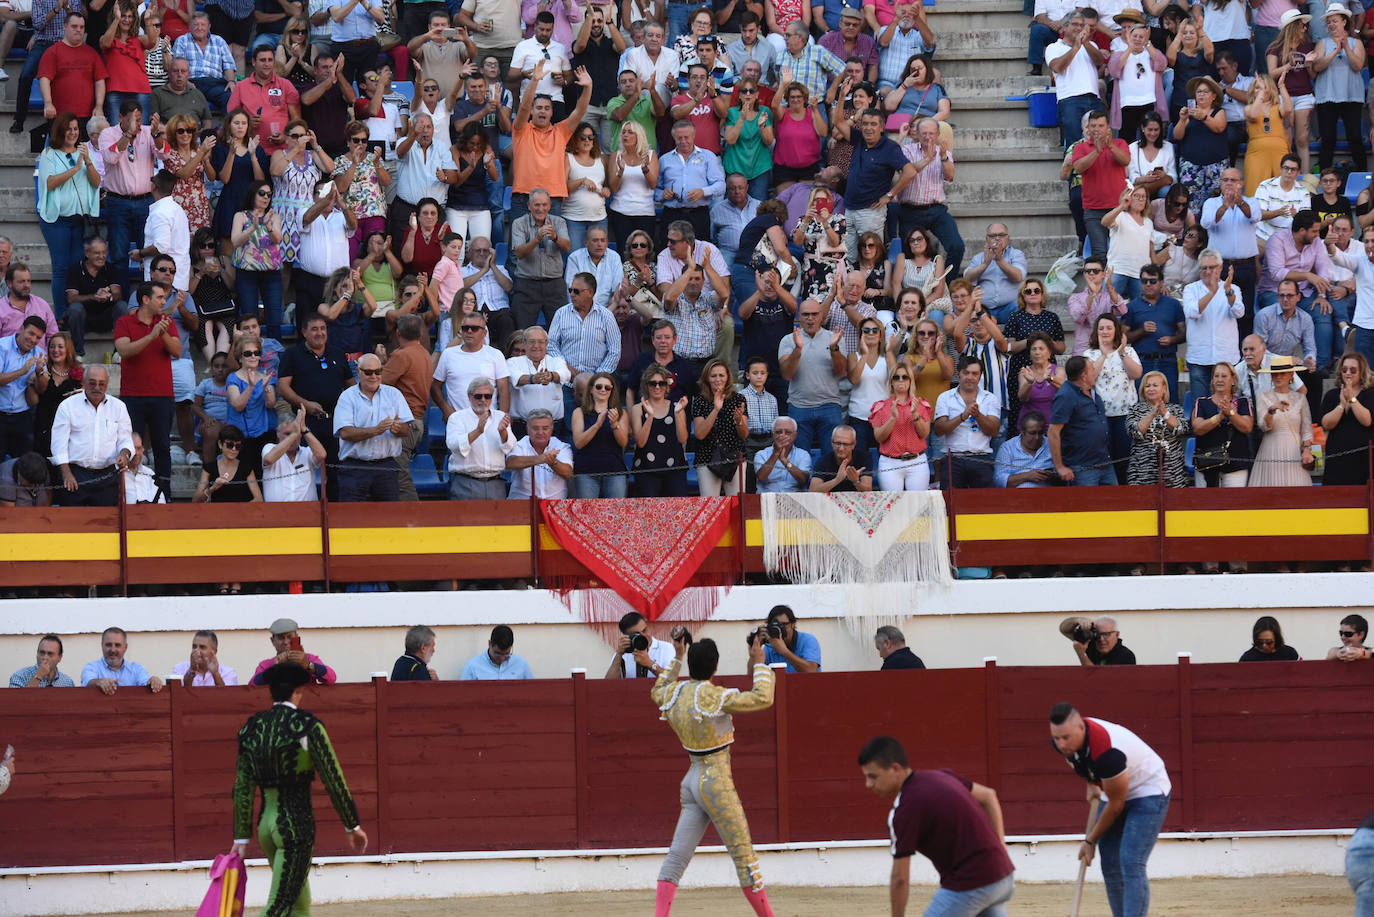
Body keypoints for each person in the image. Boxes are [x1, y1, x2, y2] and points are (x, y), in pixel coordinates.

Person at [651, 628, 777, 917]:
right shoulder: (715, 697)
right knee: (743, 854)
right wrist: (759, 661)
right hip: (716, 783)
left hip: (692, 781)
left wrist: (676, 659)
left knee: (677, 857)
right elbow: (762, 697)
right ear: (716, 667)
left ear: (691, 664)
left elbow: (657, 689)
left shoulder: (673, 693)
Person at [230, 662, 368, 915]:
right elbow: (333, 777)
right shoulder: (306, 725)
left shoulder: (251, 728)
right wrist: (352, 825)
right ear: (298, 692)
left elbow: (243, 787)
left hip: (265, 828)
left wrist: (241, 837)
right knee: (280, 904)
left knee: (300, 904)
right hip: (295, 827)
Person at [858, 735, 1015, 916]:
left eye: (873, 777)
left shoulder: (905, 810)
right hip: (1003, 877)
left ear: (895, 769)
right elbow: (989, 796)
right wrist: (1000, 845)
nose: (868, 785)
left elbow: (900, 879)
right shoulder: (942, 776)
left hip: (970, 883)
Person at [1048, 702, 1171, 917]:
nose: (1061, 744)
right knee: (1110, 862)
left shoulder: (1107, 752)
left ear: (1081, 728)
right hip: (1114, 787)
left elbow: (1116, 805)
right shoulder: (1064, 743)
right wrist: (1090, 782)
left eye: (1065, 738)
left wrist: (1090, 840)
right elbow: (1080, 761)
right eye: (1057, 738)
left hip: (1147, 789)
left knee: (1131, 861)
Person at [37, 116, 102, 319]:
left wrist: (88, 162)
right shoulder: (49, 153)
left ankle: (74, 313)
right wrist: (75, 168)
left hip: (78, 220)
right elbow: (49, 183)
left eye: (75, 129)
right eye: (68, 129)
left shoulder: (85, 151)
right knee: (61, 268)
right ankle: (60, 315)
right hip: (56, 220)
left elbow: (96, 182)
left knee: (76, 268)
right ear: (60, 131)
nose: (73, 132)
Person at [333, 351, 413, 501]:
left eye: (378, 371)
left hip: (386, 467)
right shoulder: (347, 397)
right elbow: (345, 433)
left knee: (388, 519)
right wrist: (376, 430)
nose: (374, 376)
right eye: (369, 372)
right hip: (354, 467)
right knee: (351, 520)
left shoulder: (394, 394)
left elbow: (406, 429)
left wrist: (397, 428)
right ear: (358, 372)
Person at [50, 365, 133, 506]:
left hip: (107, 476)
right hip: (76, 474)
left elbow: (125, 439)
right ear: (83, 382)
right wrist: (66, 474)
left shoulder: (118, 407)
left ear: (107, 385)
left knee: (106, 524)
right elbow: (59, 445)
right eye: (92, 383)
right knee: (74, 523)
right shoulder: (67, 406)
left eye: (102, 384)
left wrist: (124, 454)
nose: (97, 387)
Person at [843, 108, 916, 261]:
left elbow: (910, 172)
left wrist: (889, 195)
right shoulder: (859, 140)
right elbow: (837, 123)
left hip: (871, 212)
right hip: (850, 208)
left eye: (873, 124)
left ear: (882, 127)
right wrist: (842, 96)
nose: (868, 128)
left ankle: (874, 286)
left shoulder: (890, 147)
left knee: (871, 258)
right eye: (865, 124)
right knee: (850, 258)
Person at [1083, 314, 1143, 484]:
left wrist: (1122, 352)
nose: (1105, 331)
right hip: (1101, 415)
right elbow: (1089, 379)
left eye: (1109, 328)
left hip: (1126, 414)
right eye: (1101, 328)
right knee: (1104, 458)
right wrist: (1103, 354)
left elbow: (1137, 374)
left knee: (1124, 457)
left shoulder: (1128, 351)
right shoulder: (1090, 354)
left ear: (1116, 330)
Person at [1183, 249, 1246, 397]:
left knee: (1229, 408)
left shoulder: (1233, 289)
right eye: (1204, 268)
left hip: (1227, 358)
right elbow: (1192, 312)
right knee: (1200, 408)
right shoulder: (1190, 289)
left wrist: (1228, 291)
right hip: (1199, 359)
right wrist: (1212, 291)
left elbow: (1239, 312)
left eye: (1211, 267)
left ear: (1220, 267)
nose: (1208, 271)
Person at [933, 356, 1001, 489]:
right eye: (966, 372)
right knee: (951, 505)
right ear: (958, 374)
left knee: (983, 505)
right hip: (953, 459)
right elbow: (939, 430)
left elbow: (994, 431)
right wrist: (963, 416)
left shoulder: (990, 398)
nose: (970, 377)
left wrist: (977, 415)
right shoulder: (945, 397)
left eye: (974, 373)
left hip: (981, 458)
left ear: (980, 376)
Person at [445, 375, 514, 499]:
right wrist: (477, 431)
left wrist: (502, 432)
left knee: (497, 519)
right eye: (478, 396)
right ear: (469, 396)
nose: (483, 400)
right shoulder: (457, 417)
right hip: (466, 482)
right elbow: (453, 445)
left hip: (495, 482)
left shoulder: (500, 416)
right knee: (465, 519)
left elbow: (511, 447)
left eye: (487, 396)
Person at [1073, 110, 1130, 261]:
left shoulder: (1120, 144)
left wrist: (1110, 146)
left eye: (1100, 125)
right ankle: (1102, 284)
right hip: (1093, 210)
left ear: (1108, 128)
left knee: (1122, 253)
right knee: (1099, 253)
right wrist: (1096, 151)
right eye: (1093, 126)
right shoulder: (1081, 148)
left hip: (1119, 208)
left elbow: (1126, 160)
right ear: (1088, 128)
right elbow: (1079, 167)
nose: (1096, 129)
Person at [1123, 264, 1185, 400]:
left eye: (1152, 281)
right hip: (1142, 361)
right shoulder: (1131, 307)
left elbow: (1184, 333)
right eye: (1144, 281)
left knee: (1171, 402)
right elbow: (1124, 338)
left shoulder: (1173, 304)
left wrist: (1172, 340)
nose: (1148, 284)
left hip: (1168, 360)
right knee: (1143, 404)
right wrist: (1142, 331)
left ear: (1161, 283)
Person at [1249, 355, 1313, 486]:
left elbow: (1307, 429)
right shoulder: (1262, 397)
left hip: (1294, 449)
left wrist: (1306, 450)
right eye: (1275, 374)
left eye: (1282, 373)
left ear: (1291, 375)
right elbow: (1263, 426)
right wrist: (1271, 411)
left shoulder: (1300, 398)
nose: (1278, 377)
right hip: (1270, 449)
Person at [1048, 355, 1112, 486]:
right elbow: (1053, 431)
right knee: (1087, 505)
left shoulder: (1092, 392)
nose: (1095, 371)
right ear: (1084, 375)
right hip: (1083, 467)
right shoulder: (1066, 395)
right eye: (1092, 369)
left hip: (1105, 463)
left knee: (1115, 505)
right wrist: (1059, 467)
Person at [1191, 360, 1254, 488]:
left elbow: (1247, 427)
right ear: (1213, 380)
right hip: (1206, 464)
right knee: (1205, 506)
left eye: (1224, 376)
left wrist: (1230, 412)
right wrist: (1219, 417)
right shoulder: (1202, 402)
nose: (1220, 379)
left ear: (1233, 380)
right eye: (1216, 376)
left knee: (1234, 505)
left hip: (1236, 465)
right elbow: (1198, 428)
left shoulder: (1242, 402)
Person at [870, 361, 932, 492]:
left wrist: (915, 413)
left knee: (918, 504)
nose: (900, 380)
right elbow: (879, 438)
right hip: (890, 461)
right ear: (891, 382)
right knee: (892, 504)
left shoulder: (921, 404)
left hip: (917, 461)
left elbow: (924, 434)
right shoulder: (881, 406)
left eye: (905, 377)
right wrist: (893, 418)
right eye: (896, 377)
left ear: (910, 381)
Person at [629, 363, 688, 497]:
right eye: (652, 383)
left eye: (661, 383)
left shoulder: (677, 407)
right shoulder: (637, 408)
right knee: (648, 514)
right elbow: (640, 442)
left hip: (675, 467)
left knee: (677, 513)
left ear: (667, 386)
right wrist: (650, 416)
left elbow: (683, 438)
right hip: (646, 469)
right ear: (646, 385)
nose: (657, 387)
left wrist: (678, 413)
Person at [1047, 12, 1104, 147]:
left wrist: (1085, 44)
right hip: (1070, 100)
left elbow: (1100, 60)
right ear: (1064, 27)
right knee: (1074, 144)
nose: (1079, 28)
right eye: (1075, 24)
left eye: (1081, 25)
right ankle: (1072, 168)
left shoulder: (1091, 45)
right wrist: (1076, 47)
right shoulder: (1054, 47)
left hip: (1094, 98)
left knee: (1099, 143)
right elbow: (1057, 67)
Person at [570, 370, 629, 496]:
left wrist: (615, 425)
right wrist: (597, 425)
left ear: (612, 391)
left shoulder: (621, 413)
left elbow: (623, 442)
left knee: (615, 513)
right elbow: (579, 443)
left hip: (614, 470)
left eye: (607, 387)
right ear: (591, 389)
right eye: (599, 386)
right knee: (587, 513)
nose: (603, 390)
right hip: (586, 472)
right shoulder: (579, 412)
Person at [1127, 371, 1190, 487]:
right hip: (1142, 474)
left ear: (1164, 388)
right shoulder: (1135, 409)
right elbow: (1134, 432)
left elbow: (1182, 429)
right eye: (1147, 386)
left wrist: (1164, 413)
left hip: (1173, 474)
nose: (1151, 389)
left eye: (1155, 385)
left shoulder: (1175, 409)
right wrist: (1152, 414)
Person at [963, 224, 1025, 324]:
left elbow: (1018, 276)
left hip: (1009, 309)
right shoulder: (978, 258)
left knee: (1019, 306)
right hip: (984, 310)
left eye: (1001, 235)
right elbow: (967, 279)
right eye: (993, 236)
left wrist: (999, 260)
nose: (997, 238)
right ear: (987, 239)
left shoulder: (1016, 254)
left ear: (1008, 239)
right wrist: (985, 264)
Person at [506, 406, 573, 499]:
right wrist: (541, 458)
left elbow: (568, 473)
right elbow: (510, 462)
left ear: (552, 428)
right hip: (521, 504)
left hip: (555, 505)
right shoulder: (519, 445)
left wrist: (553, 462)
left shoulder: (562, 446)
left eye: (545, 428)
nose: (540, 432)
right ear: (527, 429)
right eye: (535, 428)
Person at [262, 406, 326, 502]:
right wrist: (295, 433)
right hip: (276, 513)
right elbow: (269, 459)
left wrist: (304, 429)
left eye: (297, 433)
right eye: (288, 434)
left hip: (307, 513)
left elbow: (322, 456)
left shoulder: (308, 452)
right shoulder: (269, 448)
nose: (293, 438)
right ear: (277, 433)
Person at [1068, 256, 1129, 356]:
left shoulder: (1110, 296)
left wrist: (1110, 287)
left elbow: (1123, 311)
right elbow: (1078, 317)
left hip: (1107, 348)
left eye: (1095, 271)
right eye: (1088, 271)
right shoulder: (1075, 298)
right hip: (1083, 349)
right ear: (1084, 274)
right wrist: (1092, 295)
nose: (1091, 273)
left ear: (1103, 274)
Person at [251, 618, 337, 685]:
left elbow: (331, 678)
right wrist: (274, 669)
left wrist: (308, 665)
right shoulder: (266, 665)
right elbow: (252, 686)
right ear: (273, 641)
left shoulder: (309, 658)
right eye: (281, 638)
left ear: (297, 638)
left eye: (289, 637)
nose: (286, 642)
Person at [81, 626, 165, 693]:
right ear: (102, 646)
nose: (113, 650)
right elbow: (88, 682)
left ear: (125, 647)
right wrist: (99, 682)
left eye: (117, 645)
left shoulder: (136, 669)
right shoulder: (91, 667)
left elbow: (146, 684)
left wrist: (153, 681)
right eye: (108, 645)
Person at [993, 409, 1055, 488]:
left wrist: (1052, 475)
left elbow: (1064, 474)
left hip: (1049, 495)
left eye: (1040, 433)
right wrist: (1027, 476)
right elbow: (999, 481)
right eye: (1032, 433)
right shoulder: (1008, 448)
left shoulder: (1051, 445)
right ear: (1022, 431)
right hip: (1017, 496)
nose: (1037, 437)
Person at [605, 610, 676, 679]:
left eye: (645, 630)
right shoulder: (624, 652)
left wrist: (649, 663)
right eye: (637, 634)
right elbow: (609, 684)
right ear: (627, 636)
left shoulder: (666, 648)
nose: (644, 636)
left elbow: (671, 679)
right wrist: (619, 654)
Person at [753, 415, 811, 494]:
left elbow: (803, 480)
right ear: (772, 435)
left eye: (788, 432)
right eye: (778, 432)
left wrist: (785, 460)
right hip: (768, 499)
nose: (782, 435)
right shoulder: (761, 454)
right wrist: (776, 454)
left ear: (795, 435)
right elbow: (761, 477)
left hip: (795, 500)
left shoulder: (803, 455)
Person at [460, 625, 534, 679]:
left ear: (511, 647)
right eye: (498, 653)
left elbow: (532, 692)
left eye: (506, 654)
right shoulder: (473, 667)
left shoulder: (521, 665)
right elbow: (464, 696)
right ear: (490, 643)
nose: (502, 658)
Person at [172, 631, 239, 686]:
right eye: (194, 646)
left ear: (214, 651)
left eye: (202, 647)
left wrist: (215, 673)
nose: (197, 651)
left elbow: (227, 696)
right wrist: (192, 670)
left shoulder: (228, 672)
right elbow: (181, 694)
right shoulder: (179, 668)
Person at [9, 635, 76, 687]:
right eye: (42, 653)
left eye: (50, 654)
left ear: (60, 658)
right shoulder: (20, 676)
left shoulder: (68, 682)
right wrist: (39, 676)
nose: (45, 657)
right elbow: (18, 703)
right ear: (37, 653)